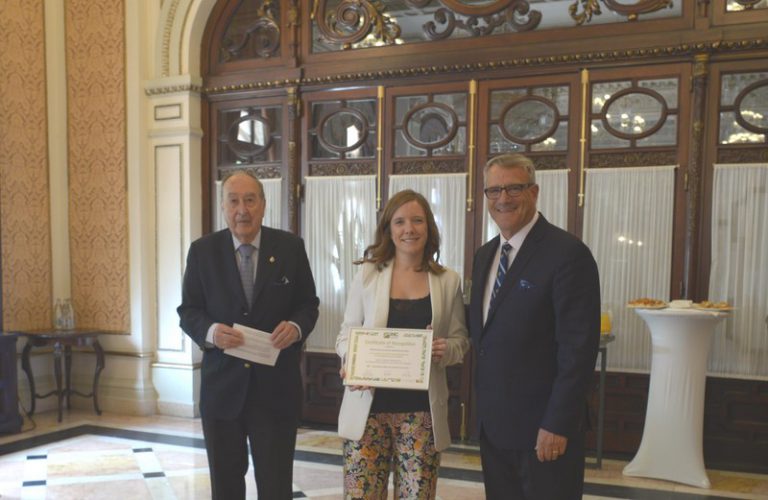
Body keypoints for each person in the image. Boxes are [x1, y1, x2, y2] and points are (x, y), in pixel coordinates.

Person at [177, 170, 319, 499]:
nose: (242, 209)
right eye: (234, 201)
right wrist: (211, 332)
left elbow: (308, 304)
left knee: (275, 486)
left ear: (263, 205)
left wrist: (296, 327)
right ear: (223, 207)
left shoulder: (290, 247)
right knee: (225, 487)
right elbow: (189, 311)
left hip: (276, 391)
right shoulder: (202, 251)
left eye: (250, 200)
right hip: (222, 391)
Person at [469, 154, 600, 499]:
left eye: (514, 188)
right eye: (494, 190)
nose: (503, 198)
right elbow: (486, 334)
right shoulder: (484, 256)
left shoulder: (568, 254)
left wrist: (557, 423)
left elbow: (578, 350)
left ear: (534, 191)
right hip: (494, 429)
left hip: (544, 432)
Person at [336, 189, 470, 499]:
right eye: (399, 222)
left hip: (421, 414)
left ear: (429, 227)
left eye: (417, 220)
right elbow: (346, 335)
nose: (409, 229)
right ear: (389, 229)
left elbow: (460, 340)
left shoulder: (448, 280)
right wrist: (350, 361)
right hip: (368, 409)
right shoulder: (368, 274)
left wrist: (445, 350)